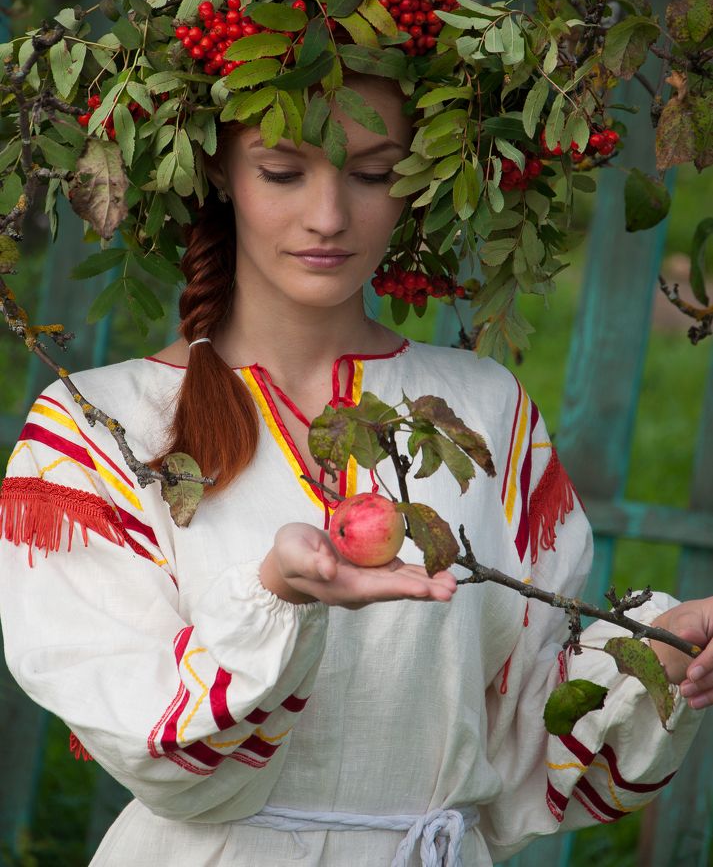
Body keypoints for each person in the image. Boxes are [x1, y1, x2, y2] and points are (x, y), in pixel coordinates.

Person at [0, 70, 710, 867]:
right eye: (281, 171)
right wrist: (273, 596)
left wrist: (661, 649)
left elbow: (522, 727)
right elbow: (143, 733)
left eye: (373, 174)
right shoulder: (100, 427)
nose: (329, 216)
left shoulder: (484, 408)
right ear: (217, 170)